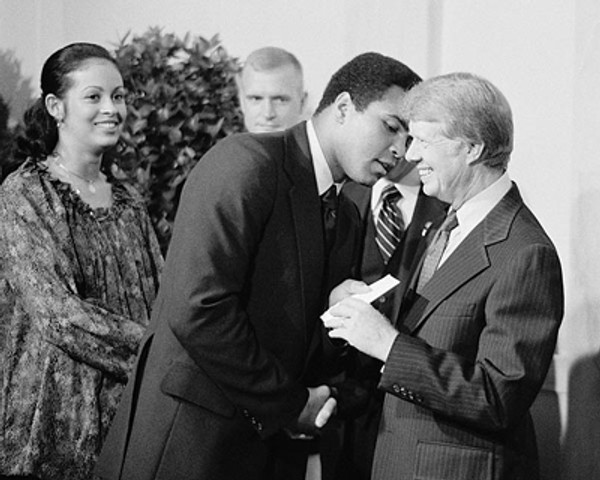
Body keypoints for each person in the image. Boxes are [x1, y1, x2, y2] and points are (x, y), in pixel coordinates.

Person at [95, 52, 419, 480]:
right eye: (391, 126)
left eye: (409, 138)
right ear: (342, 107)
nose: (399, 150)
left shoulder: (349, 214)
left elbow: (300, 339)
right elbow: (199, 309)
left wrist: (339, 317)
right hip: (190, 448)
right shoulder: (246, 163)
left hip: (267, 454)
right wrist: (291, 404)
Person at [323, 72, 564, 480]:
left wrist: (388, 344)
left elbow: (498, 396)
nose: (410, 155)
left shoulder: (526, 252)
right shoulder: (447, 223)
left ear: (472, 148)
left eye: (423, 142)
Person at [0, 43, 163, 480]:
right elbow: (57, 316)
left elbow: (159, 301)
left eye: (119, 96)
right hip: (53, 425)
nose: (111, 108)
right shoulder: (25, 194)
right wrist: (159, 352)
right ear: (56, 106)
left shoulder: (130, 202)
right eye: (94, 96)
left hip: (129, 421)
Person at [336, 159, 447, 479]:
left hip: (416, 414)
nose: (396, 146)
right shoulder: (342, 196)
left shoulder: (448, 205)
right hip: (341, 412)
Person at [237, 46, 307, 133]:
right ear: (242, 102)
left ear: (302, 103)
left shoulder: (320, 146)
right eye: (256, 99)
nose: (268, 114)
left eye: (280, 100)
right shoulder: (223, 146)